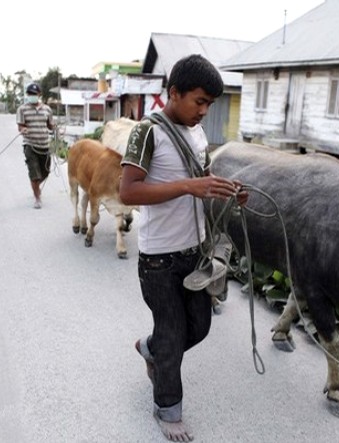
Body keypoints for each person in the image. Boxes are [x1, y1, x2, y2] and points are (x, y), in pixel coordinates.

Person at [119, 54, 247, 442]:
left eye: (209, 104)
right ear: (173, 93)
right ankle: (168, 409)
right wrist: (189, 187)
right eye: (199, 101)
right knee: (174, 333)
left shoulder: (198, 135)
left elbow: (202, 179)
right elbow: (129, 191)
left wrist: (226, 192)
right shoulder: (147, 132)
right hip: (158, 259)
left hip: (194, 252)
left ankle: (150, 348)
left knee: (201, 327)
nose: (204, 111)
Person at [16, 82, 54, 209]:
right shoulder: (22, 109)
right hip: (30, 145)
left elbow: (50, 125)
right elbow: (20, 126)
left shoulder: (47, 109)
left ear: (39, 95)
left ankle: (36, 187)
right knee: (34, 174)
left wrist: (57, 129)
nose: (32, 96)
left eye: (34, 94)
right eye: (30, 94)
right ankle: (37, 198)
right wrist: (23, 129)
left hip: (44, 146)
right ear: (27, 95)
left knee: (46, 171)